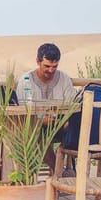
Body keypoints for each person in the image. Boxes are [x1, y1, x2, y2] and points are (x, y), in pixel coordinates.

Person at [15, 43, 75, 172]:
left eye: (55, 66)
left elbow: (72, 104)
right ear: (38, 61)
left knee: (75, 128)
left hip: (60, 125)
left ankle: (68, 173)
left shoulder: (64, 78)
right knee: (39, 136)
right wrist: (44, 120)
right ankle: (59, 172)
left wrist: (63, 121)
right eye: (47, 66)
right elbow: (25, 110)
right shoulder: (26, 80)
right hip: (34, 125)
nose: (51, 70)